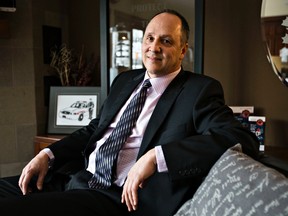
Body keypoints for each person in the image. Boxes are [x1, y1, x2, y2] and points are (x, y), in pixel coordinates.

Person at [0, 9, 259, 216]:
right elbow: (95, 129)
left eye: (166, 41)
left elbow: (239, 136)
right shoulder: (125, 81)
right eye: (149, 38)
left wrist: (156, 157)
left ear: (182, 51)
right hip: (76, 177)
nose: (154, 47)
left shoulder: (198, 90)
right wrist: (48, 154)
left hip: (117, 196)